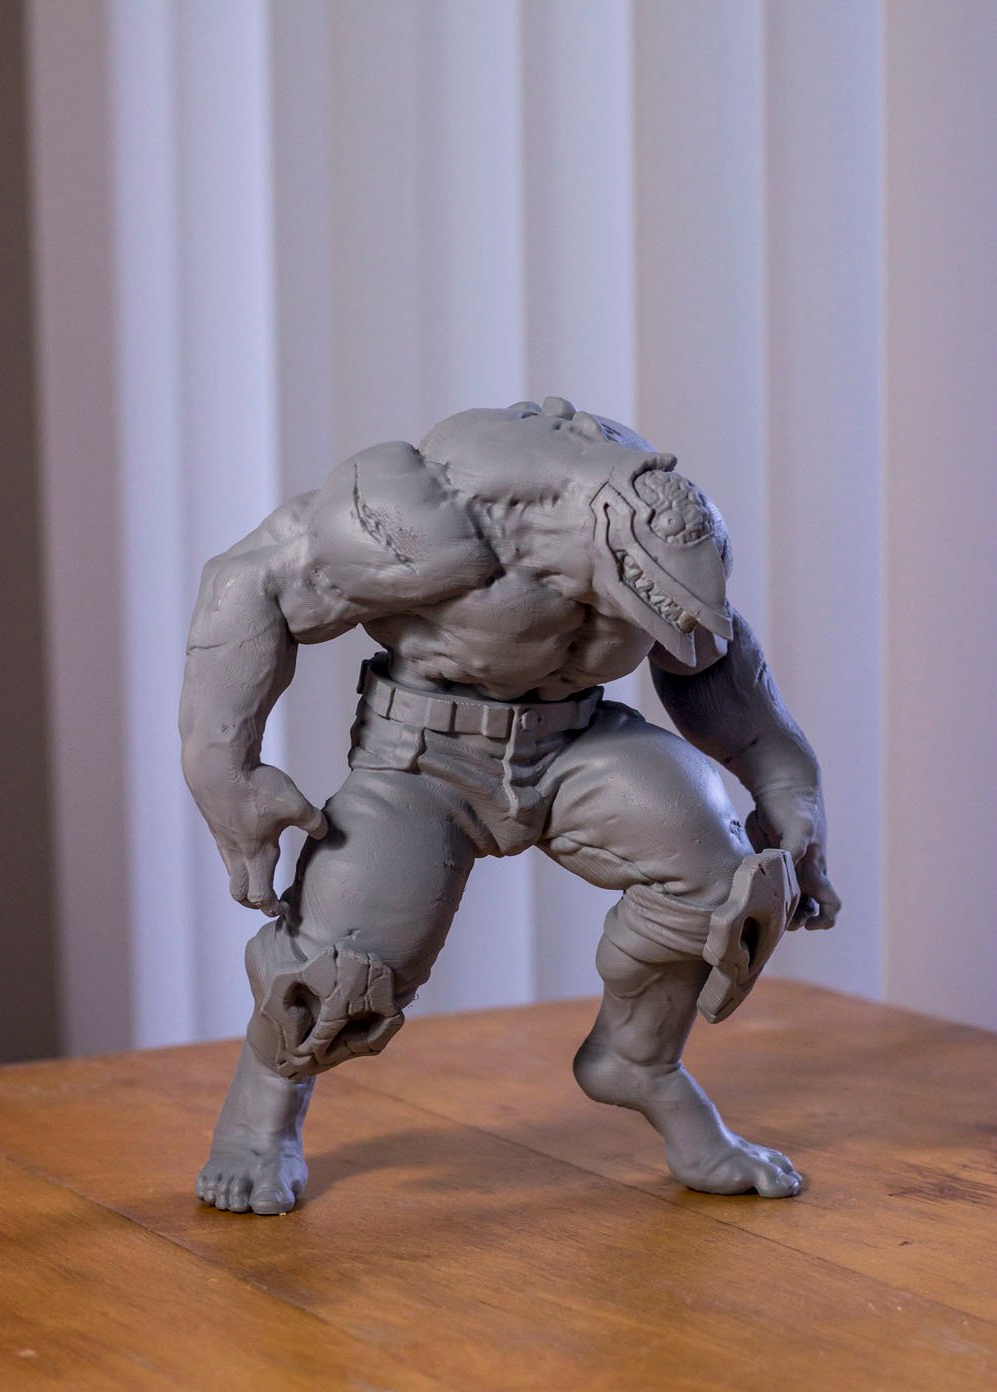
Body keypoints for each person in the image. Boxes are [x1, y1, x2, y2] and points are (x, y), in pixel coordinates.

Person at [180, 397, 840, 1215]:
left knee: (725, 881)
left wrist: (792, 798)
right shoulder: (445, 507)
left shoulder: (668, 540)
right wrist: (225, 771)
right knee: (343, 966)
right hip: (420, 759)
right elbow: (248, 580)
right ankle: (259, 1121)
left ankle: (637, 1062)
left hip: (577, 741)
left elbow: (720, 674)